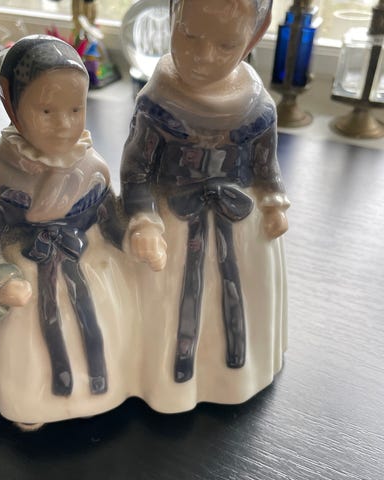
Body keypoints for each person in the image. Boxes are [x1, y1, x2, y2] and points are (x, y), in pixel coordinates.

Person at [0, 35, 136, 429]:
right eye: (47, 111)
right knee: (29, 345)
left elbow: (110, 218)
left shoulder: (92, 167)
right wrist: (0, 277)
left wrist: (134, 237)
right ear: (14, 110)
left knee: (98, 326)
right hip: (29, 271)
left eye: (75, 109)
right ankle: (30, 401)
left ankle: (102, 386)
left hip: (87, 262)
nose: (64, 124)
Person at [120, 0, 290, 412]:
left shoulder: (258, 108)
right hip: (173, 220)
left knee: (235, 294)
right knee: (170, 300)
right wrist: (143, 217)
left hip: (238, 219)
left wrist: (272, 202)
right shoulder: (156, 104)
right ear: (172, 17)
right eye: (189, 35)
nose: (202, 55)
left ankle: (237, 369)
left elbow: (266, 166)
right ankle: (167, 377)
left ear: (253, 37)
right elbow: (136, 169)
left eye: (225, 44)